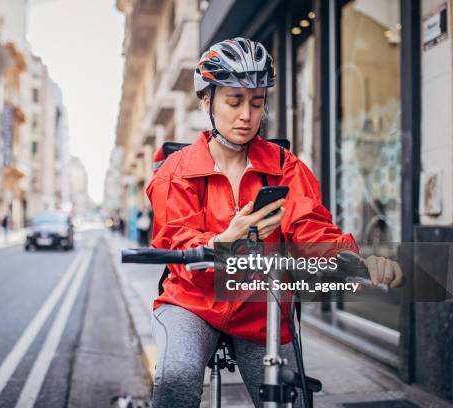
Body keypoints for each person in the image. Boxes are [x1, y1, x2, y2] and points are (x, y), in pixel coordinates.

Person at [146, 38, 403, 408]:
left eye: (257, 101)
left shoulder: (286, 167)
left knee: (288, 395)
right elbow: (175, 240)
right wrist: (223, 240)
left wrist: (358, 261)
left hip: (259, 306)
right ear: (208, 101)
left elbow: (313, 230)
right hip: (192, 304)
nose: (247, 115)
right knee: (177, 374)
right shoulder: (177, 171)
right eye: (234, 101)